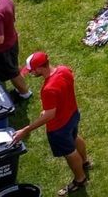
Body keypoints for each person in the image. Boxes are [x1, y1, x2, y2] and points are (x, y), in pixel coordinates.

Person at [12, 52, 87, 195]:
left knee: (69, 152)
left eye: (32, 70)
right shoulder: (64, 70)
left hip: (59, 127)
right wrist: (50, 109)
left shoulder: (48, 90)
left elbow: (49, 115)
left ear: (40, 68)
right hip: (73, 115)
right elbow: (62, 94)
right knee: (75, 137)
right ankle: (85, 162)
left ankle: (80, 179)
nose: (31, 73)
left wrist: (26, 130)